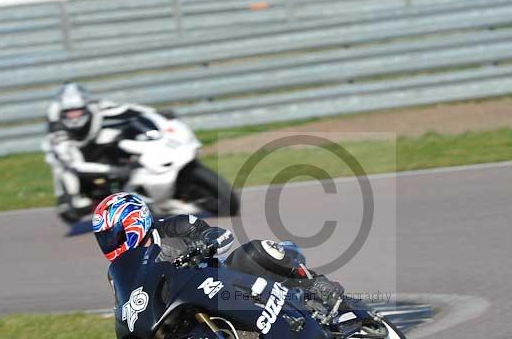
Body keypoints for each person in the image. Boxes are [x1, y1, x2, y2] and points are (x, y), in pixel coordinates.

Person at [92, 192, 344, 309]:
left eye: (113, 236)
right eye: (104, 239)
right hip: (185, 306)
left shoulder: (175, 226)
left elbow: (220, 235)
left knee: (255, 251)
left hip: (222, 280)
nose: (110, 244)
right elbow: (127, 307)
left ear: (134, 222)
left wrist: (204, 243)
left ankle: (316, 286)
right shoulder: (118, 272)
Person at [42, 82, 177, 223]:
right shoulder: (56, 128)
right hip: (72, 151)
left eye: (78, 111)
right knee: (65, 182)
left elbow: (124, 109)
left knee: (118, 135)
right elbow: (76, 165)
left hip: (93, 142)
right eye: (69, 113)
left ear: (86, 107)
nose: (74, 116)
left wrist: (155, 112)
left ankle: (138, 177)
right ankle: (67, 198)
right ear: (62, 113)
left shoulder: (96, 106)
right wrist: (114, 170)